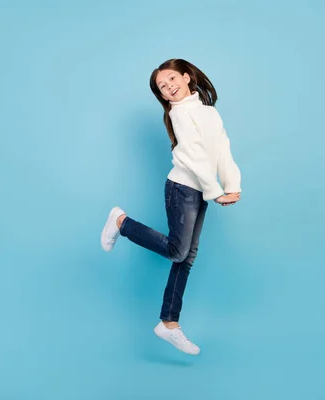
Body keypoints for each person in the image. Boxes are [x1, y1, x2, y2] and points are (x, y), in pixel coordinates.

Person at [101, 59, 242, 355]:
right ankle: (121, 222)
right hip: (182, 188)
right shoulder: (179, 114)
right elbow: (192, 156)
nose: (168, 88)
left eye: (171, 80)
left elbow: (221, 149)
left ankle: (169, 323)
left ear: (187, 77)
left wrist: (232, 185)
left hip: (199, 190)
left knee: (186, 258)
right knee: (179, 251)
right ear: (163, 97)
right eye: (162, 88)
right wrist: (214, 190)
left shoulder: (208, 112)